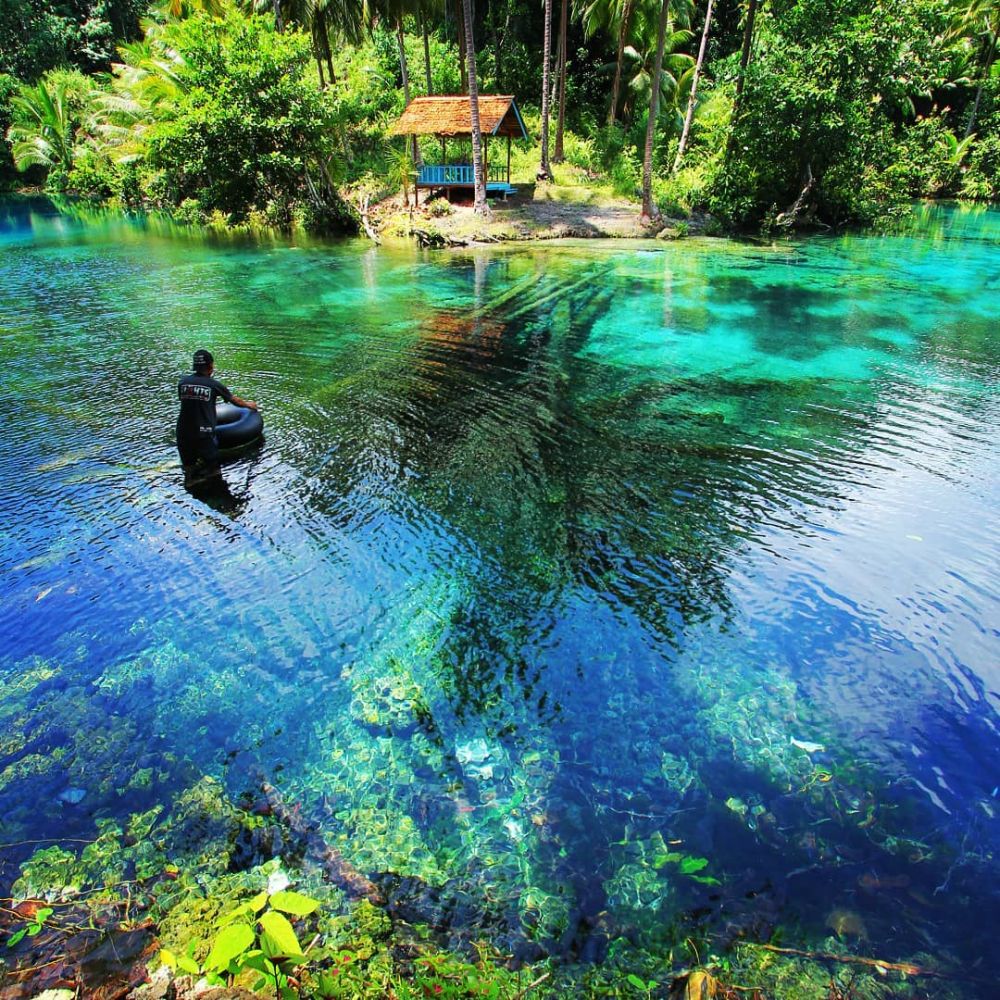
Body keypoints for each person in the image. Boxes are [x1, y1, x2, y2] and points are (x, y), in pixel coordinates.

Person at [176, 349, 258, 479]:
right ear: (210, 366)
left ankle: (190, 483)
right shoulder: (214, 385)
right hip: (203, 433)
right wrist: (249, 405)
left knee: (188, 467)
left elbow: (190, 403)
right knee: (214, 469)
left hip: (182, 431)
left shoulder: (183, 383)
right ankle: (214, 490)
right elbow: (234, 401)